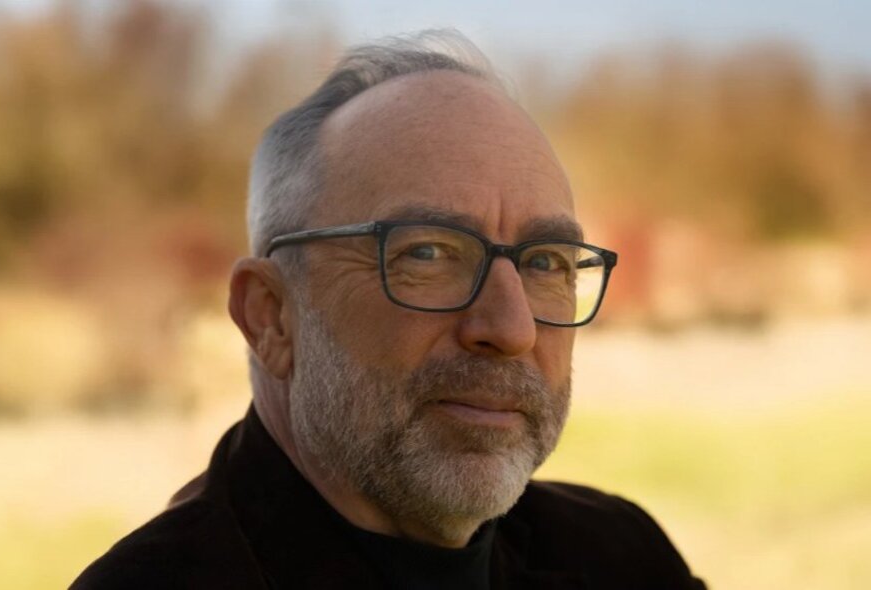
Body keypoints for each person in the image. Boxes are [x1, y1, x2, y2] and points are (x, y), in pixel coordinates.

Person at [72, 31, 705, 589]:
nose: (510, 329)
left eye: (546, 262)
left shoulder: (620, 558)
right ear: (270, 317)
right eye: (427, 253)